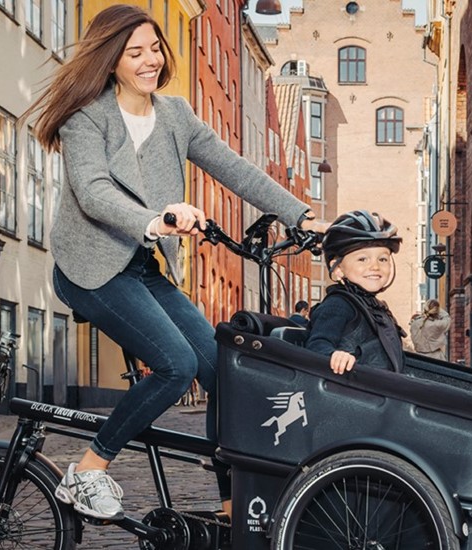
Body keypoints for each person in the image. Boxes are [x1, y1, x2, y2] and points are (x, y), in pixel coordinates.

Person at [26, 5, 320, 520]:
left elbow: (236, 170)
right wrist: (155, 220)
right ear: (111, 59)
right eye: (134, 52)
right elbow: (93, 191)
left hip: (142, 269)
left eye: (155, 48)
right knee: (175, 365)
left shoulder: (176, 114)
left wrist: (303, 216)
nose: (149, 61)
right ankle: (89, 469)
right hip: (90, 268)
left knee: (223, 370)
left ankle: (232, 507)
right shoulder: (86, 117)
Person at [307, 211, 408, 375]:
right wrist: (334, 355)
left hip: (383, 391)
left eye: (382, 259)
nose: (375, 267)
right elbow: (317, 345)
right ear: (338, 269)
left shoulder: (376, 308)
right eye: (363, 259)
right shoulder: (338, 305)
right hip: (353, 394)